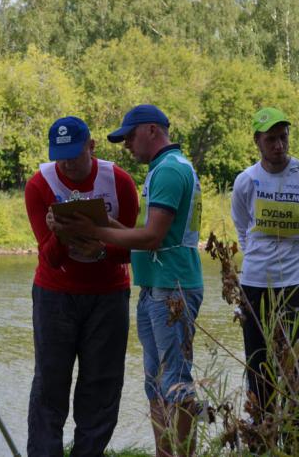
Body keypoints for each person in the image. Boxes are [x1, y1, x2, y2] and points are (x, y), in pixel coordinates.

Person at [55, 105, 204, 457]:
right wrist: (102, 223)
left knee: (176, 382)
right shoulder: (167, 168)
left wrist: (98, 230)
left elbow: (152, 237)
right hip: (157, 284)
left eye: (129, 137)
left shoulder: (168, 172)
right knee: (155, 383)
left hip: (173, 287)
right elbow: (152, 237)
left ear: (152, 130)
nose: (125, 147)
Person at [24, 116, 139, 457]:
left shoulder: (119, 181)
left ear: (92, 146)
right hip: (54, 295)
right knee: (49, 385)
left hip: (108, 296)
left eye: (75, 152)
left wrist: (102, 248)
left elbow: (130, 249)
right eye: (61, 155)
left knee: (102, 386)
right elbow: (50, 260)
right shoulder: (39, 185)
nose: (68, 162)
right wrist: (60, 235)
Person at [230, 106, 299, 421]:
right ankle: (261, 433)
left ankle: (296, 437)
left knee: (297, 362)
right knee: (258, 362)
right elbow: (243, 231)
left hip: (297, 281)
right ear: (257, 141)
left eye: (283, 138)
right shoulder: (246, 181)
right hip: (255, 284)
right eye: (271, 139)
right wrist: (261, 261)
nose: (278, 145)